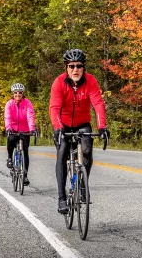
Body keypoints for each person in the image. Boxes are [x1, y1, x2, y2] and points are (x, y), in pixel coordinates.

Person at [49, 48, 110, 213]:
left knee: (87, 151)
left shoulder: (91, 81)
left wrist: (102, 127)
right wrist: (58, 127)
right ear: (66, 68)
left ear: (84, 67)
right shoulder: (59, 82)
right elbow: (54, 107)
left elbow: (97, 104)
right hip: (64, 124)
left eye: (79, 66)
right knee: (62, 153)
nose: (75, 69)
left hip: (83, 123)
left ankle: (82, 185)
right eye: (71, 66)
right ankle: (61, 198)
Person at [5, 82, 36, 186]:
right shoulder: (9, 104)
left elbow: (30, 116)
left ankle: (25, 176)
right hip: (13, 129)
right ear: (13, 94)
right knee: (10, 140)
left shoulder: (27, 103)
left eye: (20, 93)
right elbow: (7, 117)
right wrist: (8, 128)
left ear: (23, 94)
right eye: (15, 93)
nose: (17, 94)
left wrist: (32, 129)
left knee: (25, 152)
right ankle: (10, 158)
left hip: (25, 130)